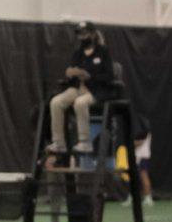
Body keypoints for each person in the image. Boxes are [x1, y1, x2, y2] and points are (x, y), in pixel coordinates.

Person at [46, 23, 118, 165]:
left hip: (95, 90)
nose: (82, 37)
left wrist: (90, 76)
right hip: (77, 88)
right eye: (79, 34)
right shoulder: (78, 53)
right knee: (55, 102)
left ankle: (85, 141)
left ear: (92, 34)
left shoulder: (103, 52)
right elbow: (72, 70)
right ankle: (59, 142)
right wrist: (70, 73)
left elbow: (109, 76)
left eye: (84, 34)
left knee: (80, 103)